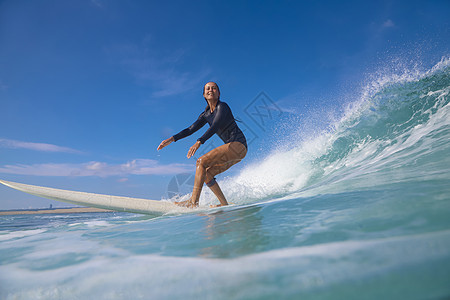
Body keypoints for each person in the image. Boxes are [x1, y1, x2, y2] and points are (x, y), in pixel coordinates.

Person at [157, 82, 247, 208]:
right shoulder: (205, 115)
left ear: (219, 93)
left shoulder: (223, 107)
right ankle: (224, 204)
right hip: (235, 151)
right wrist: (172, 139)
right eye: (208, 89)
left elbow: (215, 126)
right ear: (204, 94)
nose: (211, 90)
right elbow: (190, 129)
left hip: (238, 145)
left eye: (214, 88)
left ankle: (193, 202)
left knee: (201, 161)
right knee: (207, 174)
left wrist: (199, 142)